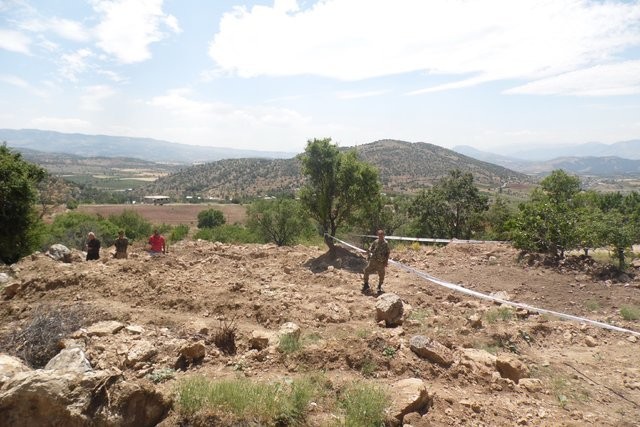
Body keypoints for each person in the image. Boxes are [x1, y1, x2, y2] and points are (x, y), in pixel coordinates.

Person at [362, 229, 390, 295]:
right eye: (379, 235)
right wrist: (368, 251)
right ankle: (366, 284)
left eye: (381, 235)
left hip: (381, 262)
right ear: (378, 235)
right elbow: (371, 247)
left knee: (382, 275)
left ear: (383, 235)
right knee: (366, 270)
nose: (380, 236)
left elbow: (388, 253)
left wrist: (386, 261)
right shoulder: (375, 241)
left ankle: (379, 287)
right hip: (373, 260)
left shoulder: (386, 243)